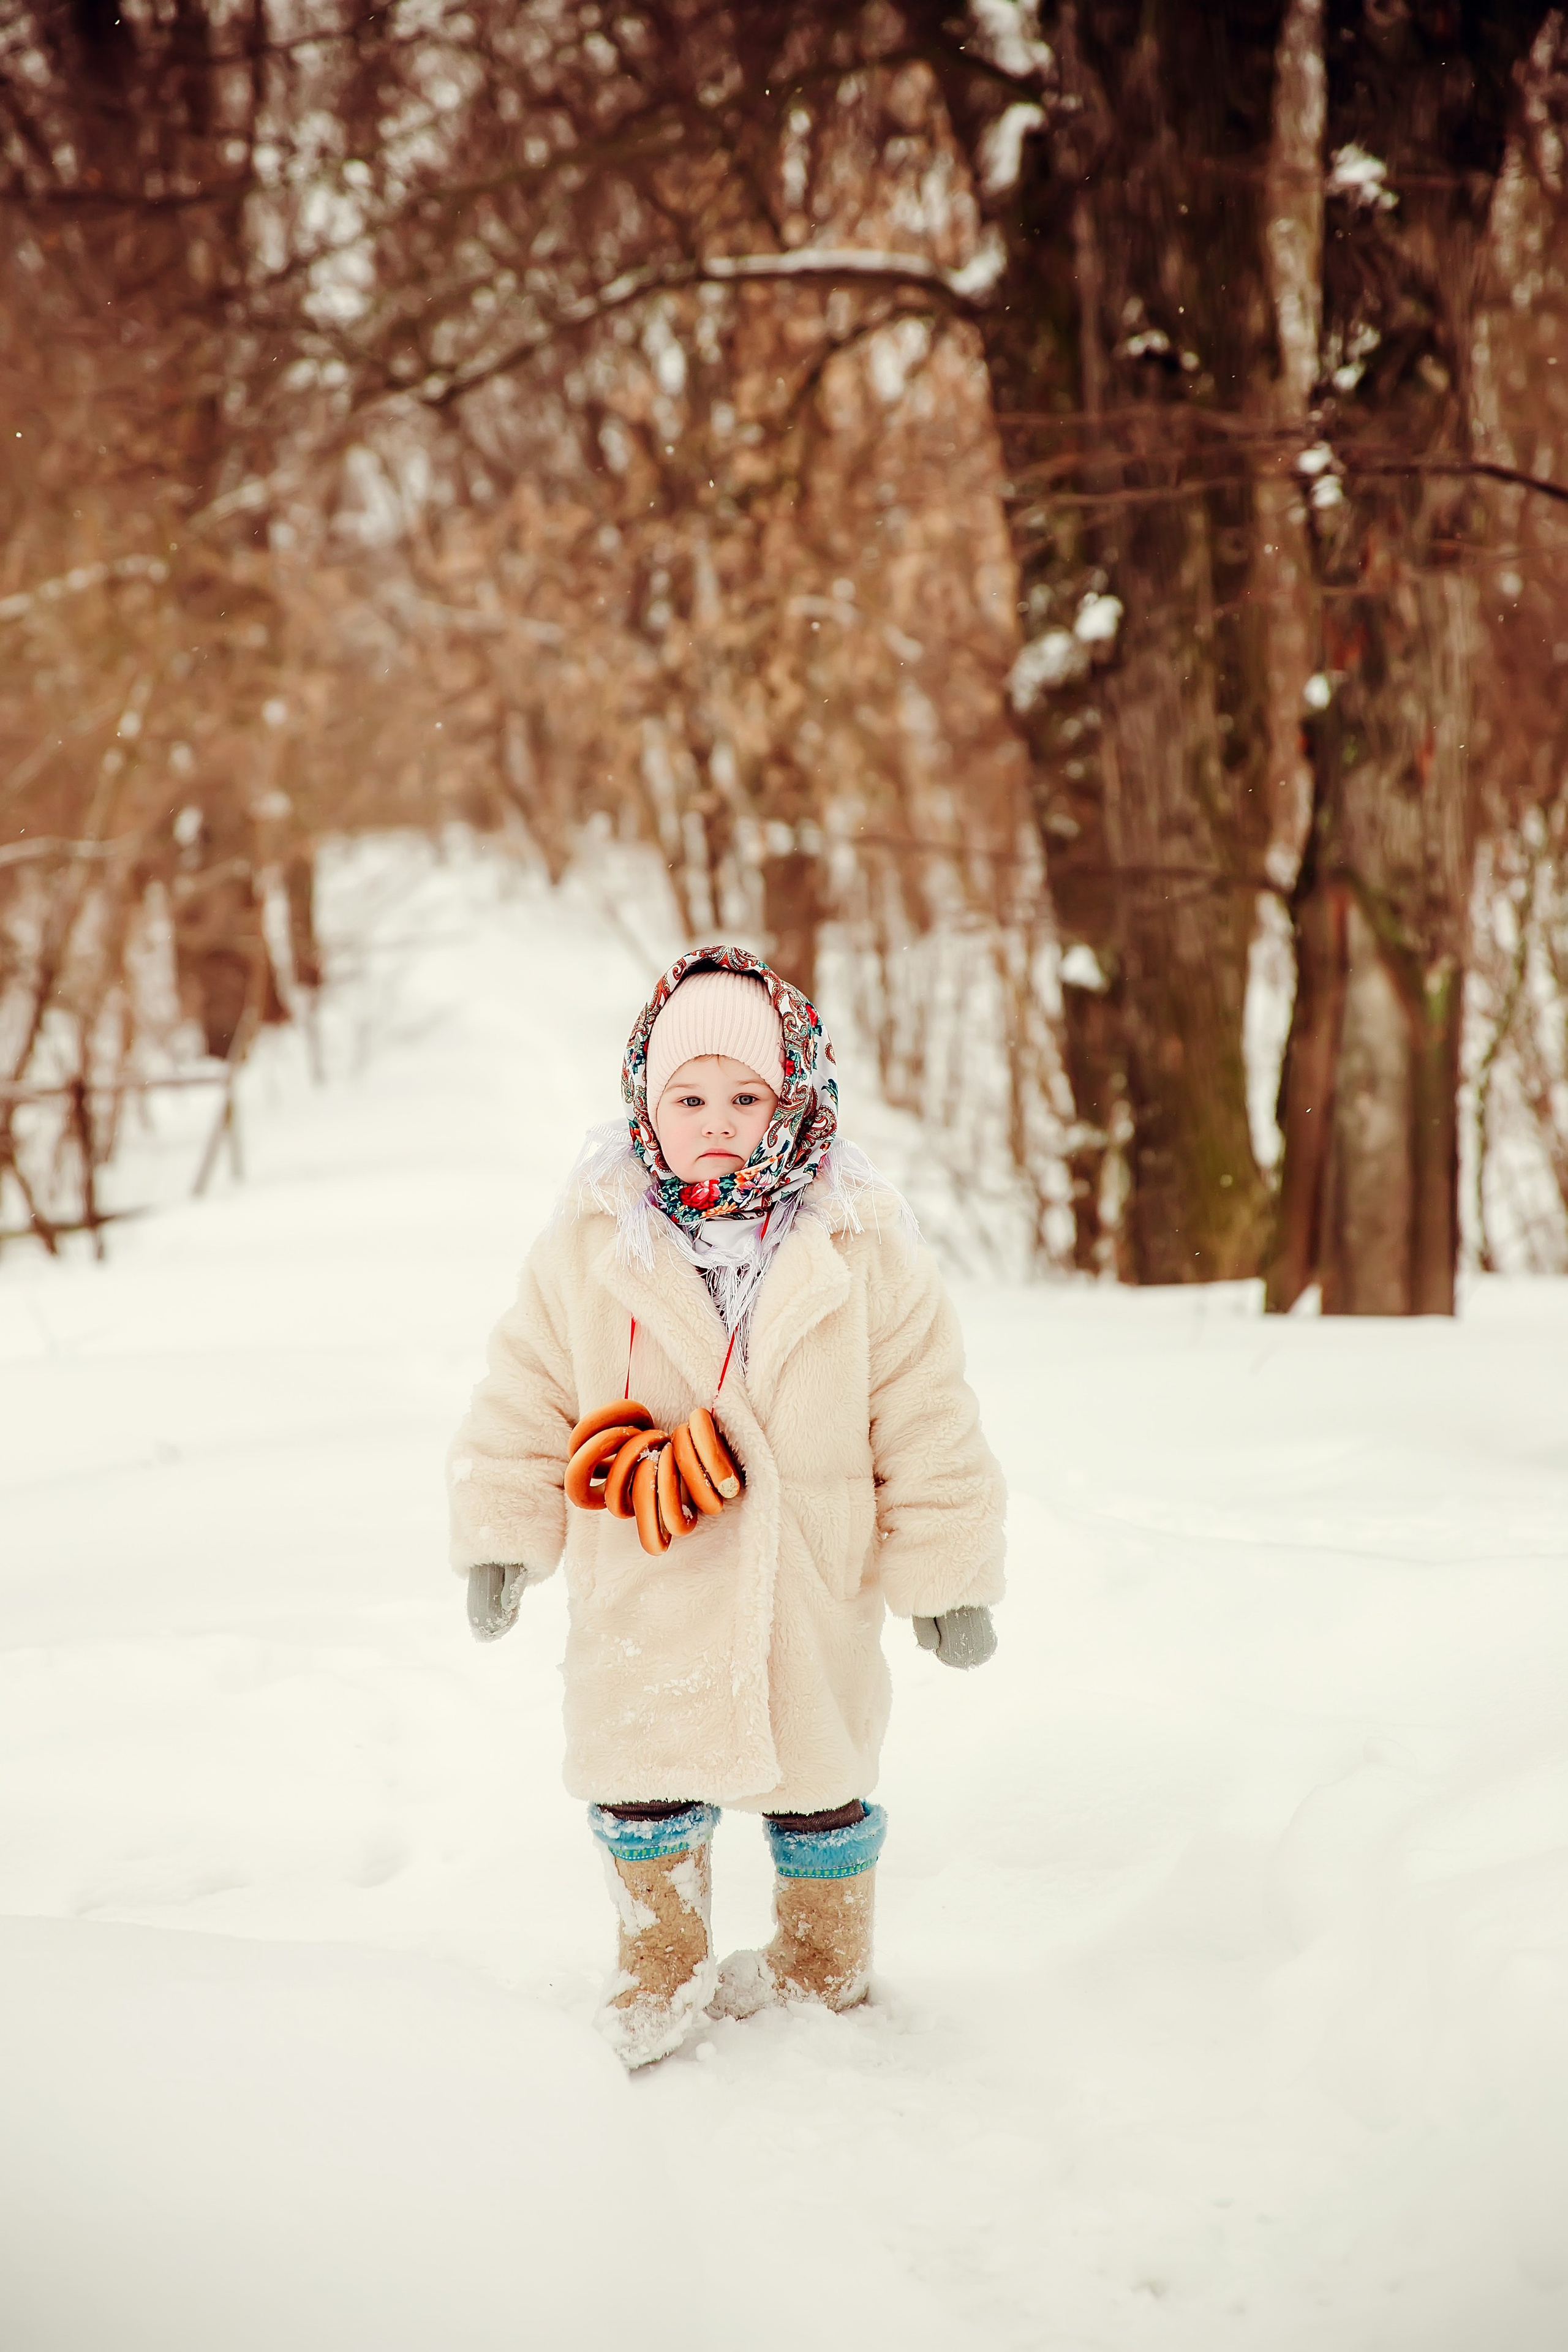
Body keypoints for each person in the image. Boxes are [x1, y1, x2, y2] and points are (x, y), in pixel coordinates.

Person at [448, 945, 1006, 2068]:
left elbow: (928, 1417)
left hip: (811, 1573)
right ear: (645, 1102)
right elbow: (526, 1392)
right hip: (651, 1566)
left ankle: (823, 1968)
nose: (715, 1121)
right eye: (687, 1097)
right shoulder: (596, 1243)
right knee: (645, 1774)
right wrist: (504, 1535)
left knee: (821, 1786)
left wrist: (946, 1579)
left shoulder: (861, 1244)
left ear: (794, 1097)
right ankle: (659, 1961)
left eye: (745, 1098)